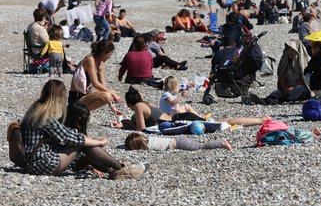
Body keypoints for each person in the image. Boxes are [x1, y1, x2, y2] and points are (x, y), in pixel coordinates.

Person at [20, 80, 147, 180]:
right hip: (42, 165)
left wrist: (89, 140)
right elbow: (67, 136)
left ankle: (115, 169)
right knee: (82, 144)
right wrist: (96, 142)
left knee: (83, 148)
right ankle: (123, 169)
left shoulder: (35, 110)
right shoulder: (45, 116)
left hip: (35, 163)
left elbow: (62, 136)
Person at [112, 86, 267, 132]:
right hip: (180, 119)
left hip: (181, 120)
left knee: (224, 124)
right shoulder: (145, 103)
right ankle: (260, 120)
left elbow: (141, 129)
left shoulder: (138, 106)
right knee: (222, 123)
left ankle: (261, 121)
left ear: (128, 104)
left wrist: (125, 124)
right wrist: (125, 123)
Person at [69, 40, 122, 115]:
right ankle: (76, 113)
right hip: (76, 97)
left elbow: (103, 87)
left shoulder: (101, 63)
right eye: (110, 54)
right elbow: (95, 83)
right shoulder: (90, 59)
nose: (110, 57)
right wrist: (113, 94)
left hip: (86, 96)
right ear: (104, 53)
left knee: (109, 93)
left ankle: (81, 114)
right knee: (108, 94)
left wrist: (113, 108)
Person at [255, 40, 310, 105]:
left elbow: (304, 80)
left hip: (298, 87)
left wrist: (292, 88)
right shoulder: (286, 61)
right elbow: (282, 77)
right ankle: (268, 100)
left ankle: (281, 99)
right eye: (289, 50)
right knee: (277, 91)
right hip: (287, 87)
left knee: (300, 89)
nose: (290, 52)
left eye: (292, 50)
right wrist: (285, 87)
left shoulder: (304, 62)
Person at [125, 132, 233, 152]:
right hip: (178, 139)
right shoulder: (147, 138)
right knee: (199, 146)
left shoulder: (147, 146)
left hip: (179, 143)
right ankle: (220, 143)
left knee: (201, 147)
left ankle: (221, 143)